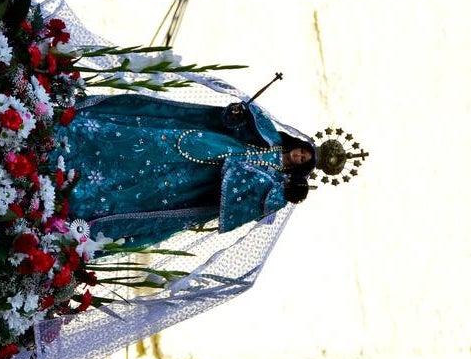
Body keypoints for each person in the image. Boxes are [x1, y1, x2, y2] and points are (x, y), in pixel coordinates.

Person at [54, 93, 316, 248]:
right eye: (302, 151)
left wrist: (284, 191)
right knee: (147, 141)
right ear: (298, 145)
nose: (299, 156)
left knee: (151, 186)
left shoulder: (277, 184)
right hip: (206, 142)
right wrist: (237, 115)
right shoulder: (270, 135)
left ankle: (80, 191)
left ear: (300, 167)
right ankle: (78, 135)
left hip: (202, 182)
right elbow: (234, 124)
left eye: (303, 160)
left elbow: (248, 203)